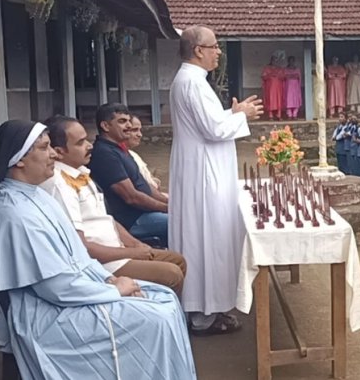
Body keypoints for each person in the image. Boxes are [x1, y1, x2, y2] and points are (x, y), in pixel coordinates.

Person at [0, 120, 196, 379]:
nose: (53, 153)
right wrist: (113, 289)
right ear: (19, 159)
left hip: (77, 290)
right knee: (157, 316)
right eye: (44, 148)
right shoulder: (12, 214)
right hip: (45, 312)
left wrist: (109, 278)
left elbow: (78, 256)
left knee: (164, 298)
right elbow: (56, 288)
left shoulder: (36, 195)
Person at [169, 25, 263, 335]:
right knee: (206, 238)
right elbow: (213, 130)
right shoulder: (192, 83)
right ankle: (203, 314)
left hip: (201, 166)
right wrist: (242, 115)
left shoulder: (192, 81)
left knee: (204, 238)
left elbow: (209, 122)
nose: (218, 52)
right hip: (203, 173)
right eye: (214, 47)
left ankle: (207, 307)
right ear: (198, 50)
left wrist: (231, 113)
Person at [42, 115, 187, 296]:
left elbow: (107, 219)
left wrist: (136, 245)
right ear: (59, 152)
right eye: (80, 143)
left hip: (118, 248)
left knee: (178, 260)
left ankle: (178, 317)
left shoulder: (81, 173)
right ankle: (163, 317)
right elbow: (82, 248)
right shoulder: (60, 185)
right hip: (104, 262)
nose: (89, 145)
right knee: (171, 273)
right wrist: (131, 252)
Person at [88, 103, 171, 243]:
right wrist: (167, 209)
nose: (128, 126)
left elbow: (145, 187)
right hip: (132, 220)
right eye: (122, 121)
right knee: (186, 223)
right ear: (105, 126)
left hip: (144, 213)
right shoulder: (104, 154)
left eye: (128, 121)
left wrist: (171, 204)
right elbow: (131, 197)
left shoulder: (120, 149)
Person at [127, 115, 164, 193]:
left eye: (140, 130)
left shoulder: (133, 155)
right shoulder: (120, 157)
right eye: (134, 130)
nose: (140, 135)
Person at [261, 55, 285, 120]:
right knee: (270, 100)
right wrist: (270, 75)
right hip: (270, 87)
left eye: (276, 60)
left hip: (278, 87)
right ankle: (270, 115)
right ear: (271, 60)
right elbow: (263, 76)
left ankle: (279, 115)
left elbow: (283, 77)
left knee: (278, 100)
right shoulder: (267, 68)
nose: (275, 61)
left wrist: (278, 76)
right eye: (274, 60)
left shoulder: (279, 69)